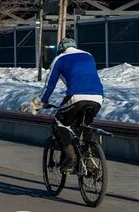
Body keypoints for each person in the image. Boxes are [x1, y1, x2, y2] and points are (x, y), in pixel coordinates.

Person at [32, 38, 103, 173]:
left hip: (76, 97)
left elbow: (49, 85)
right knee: (83, 125)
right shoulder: (88, 55)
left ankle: (70, 155)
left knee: (60, 121)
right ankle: (88, 158)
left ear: (60, 49)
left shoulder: (59, 59)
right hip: (97, 98)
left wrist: (41, 102)